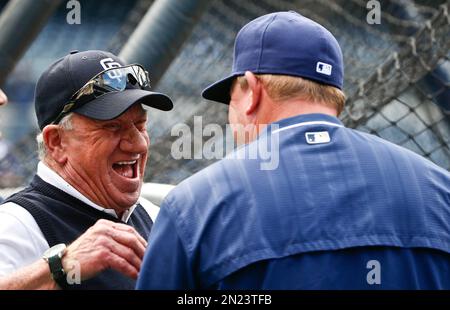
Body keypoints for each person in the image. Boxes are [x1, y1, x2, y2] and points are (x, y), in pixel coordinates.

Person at [137, 11, 450, 289]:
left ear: (252, 92)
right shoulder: (440, 189)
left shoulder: (195, 206)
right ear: (334, 95)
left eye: (230, 99)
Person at [0, 50, 173, 289]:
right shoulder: (15, 226)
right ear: (56, 142)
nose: (139, 143)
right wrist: (59, 268)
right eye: (113, 127)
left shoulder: (155, 216)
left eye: (140, 125)